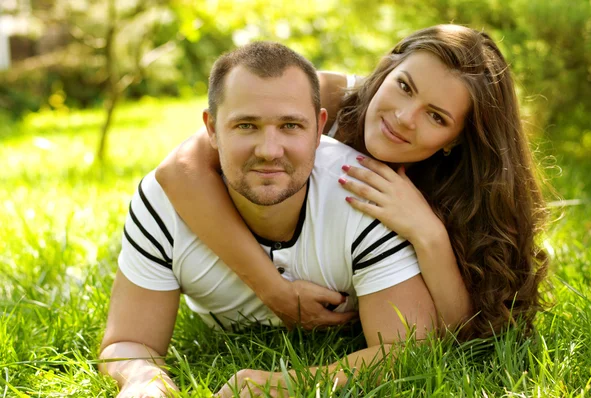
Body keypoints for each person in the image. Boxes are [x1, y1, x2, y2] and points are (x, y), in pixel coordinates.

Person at [156, 24, 549, 340]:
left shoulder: (469, 187)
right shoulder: (326, 96)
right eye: (404, 86)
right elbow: (178, 171)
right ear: (386, 67)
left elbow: (462, 332)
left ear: (459, 138)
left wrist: (427, 232)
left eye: (437, 117)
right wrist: (274, 291)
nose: (404, 117)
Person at [99, 41, 438, 397]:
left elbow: (409, 349)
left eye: (290, 125)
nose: (269, 151)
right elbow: (127, 341)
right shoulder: (163, 205)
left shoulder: (363, 193)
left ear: (319, 128)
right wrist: (142, 380)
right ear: (211, 129)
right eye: (246, 125)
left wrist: (287, 384)